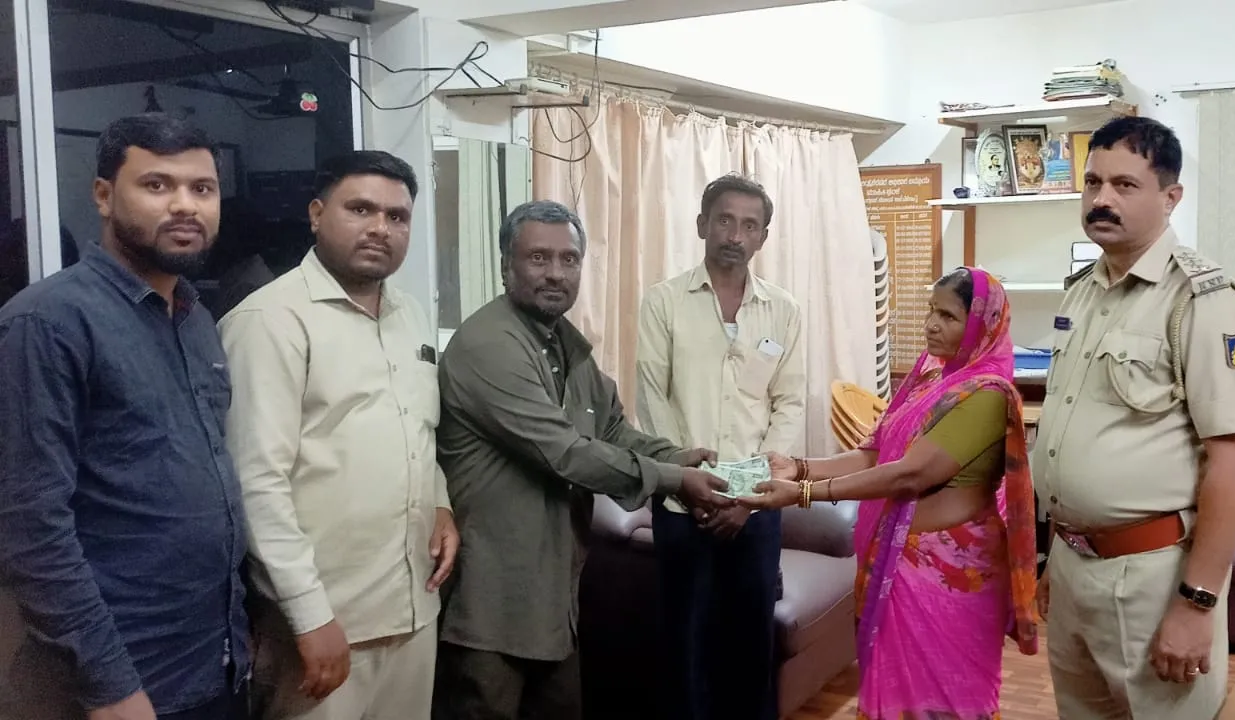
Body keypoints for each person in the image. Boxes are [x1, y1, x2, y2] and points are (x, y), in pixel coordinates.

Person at [431, 200, 734, 720]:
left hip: (554, 604)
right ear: (506, 265)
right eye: (538, 258)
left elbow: (612, 430)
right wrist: (675, 479)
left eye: (569, 259)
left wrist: (679, 457)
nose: (556, 273)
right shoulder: (489, 344)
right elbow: (565, 453)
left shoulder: (564, 346)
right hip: (491, 605)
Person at [0, 113, 250, 720]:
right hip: (121, 681)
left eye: (202, 188)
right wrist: (109, 686)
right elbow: (31, 529)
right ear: (104, 195)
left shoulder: (194, 317)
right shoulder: (49, 323)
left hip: (213, 657)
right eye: (157, 185)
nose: (185, 205)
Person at [1031, 116, 1235, 719]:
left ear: (1170, 197)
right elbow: (1067, 432)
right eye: (1093, 182)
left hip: (1152, 579)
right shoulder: (1082, 291)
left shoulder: (1201, 301)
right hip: (1073, 564)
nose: (1101, 199)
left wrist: (1196, 603)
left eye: (1125, 185)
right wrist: (1056, 556)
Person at [740, 266, 1039, 720]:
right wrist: (799, 466)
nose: (932, 324)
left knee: (946, 700)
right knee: (896, 695)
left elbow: (908, 476)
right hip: (903, 562)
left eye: (949, 316)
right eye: (931, 311)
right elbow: (876, 454)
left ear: (983, 324)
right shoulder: (930, 382)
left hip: (951, 572)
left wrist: (803, 493)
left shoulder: (986, 394)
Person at [217, 150, 455, 719]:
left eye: (397, 216)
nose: (380, 228)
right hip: (324, 626)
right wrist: (309, 616)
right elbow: (256, 484)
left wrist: (441, 503)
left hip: (412, 609)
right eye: (360, 209)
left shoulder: (409, 315)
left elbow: (415, 431)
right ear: (317, 214)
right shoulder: (271, 321)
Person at [634, 173, 805, 720]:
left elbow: (789, 404)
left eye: (750, 225)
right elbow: (652, 401)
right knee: (684, 644)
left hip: (755, 508)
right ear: (702, 224)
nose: (735, 234)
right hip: (684, 506)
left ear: (763, 237)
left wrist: (746, 496)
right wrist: (694, 487)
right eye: (725, 220)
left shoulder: (783, 310)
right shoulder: (664, 302)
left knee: (751, 644)